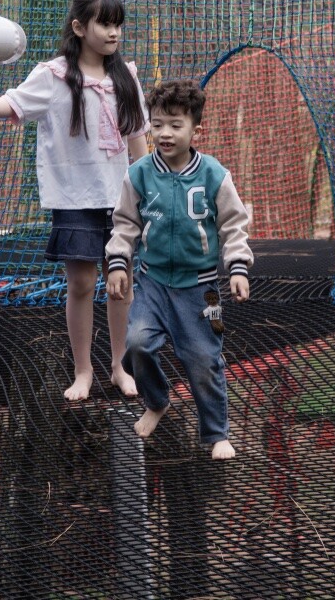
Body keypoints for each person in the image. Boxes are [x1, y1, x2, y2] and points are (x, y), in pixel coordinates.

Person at [0, 0, 149, 401]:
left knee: (121, 284)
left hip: (119, 200)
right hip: (74, 198)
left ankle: (120, 366)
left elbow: (137, 142)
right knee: (80, 283)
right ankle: (83, 371)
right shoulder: (55, 75)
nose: (114, 33)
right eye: (104, 23)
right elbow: (15, 103)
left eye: (118, 25)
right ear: (79, 27)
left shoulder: (125, 77)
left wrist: (148, 193)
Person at [105, 80, 252, 460]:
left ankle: (216, 432)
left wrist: (237, 267)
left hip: (201, 289)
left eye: (175, 125)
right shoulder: (139, 174)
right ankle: (157, 402)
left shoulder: (214, 175)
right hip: (152, 282)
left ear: (195, 130)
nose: (165, 133)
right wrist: (119, 262)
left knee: (204, 359)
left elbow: (234, 225)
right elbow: (125, 225)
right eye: (157, 125)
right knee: (136, 344)